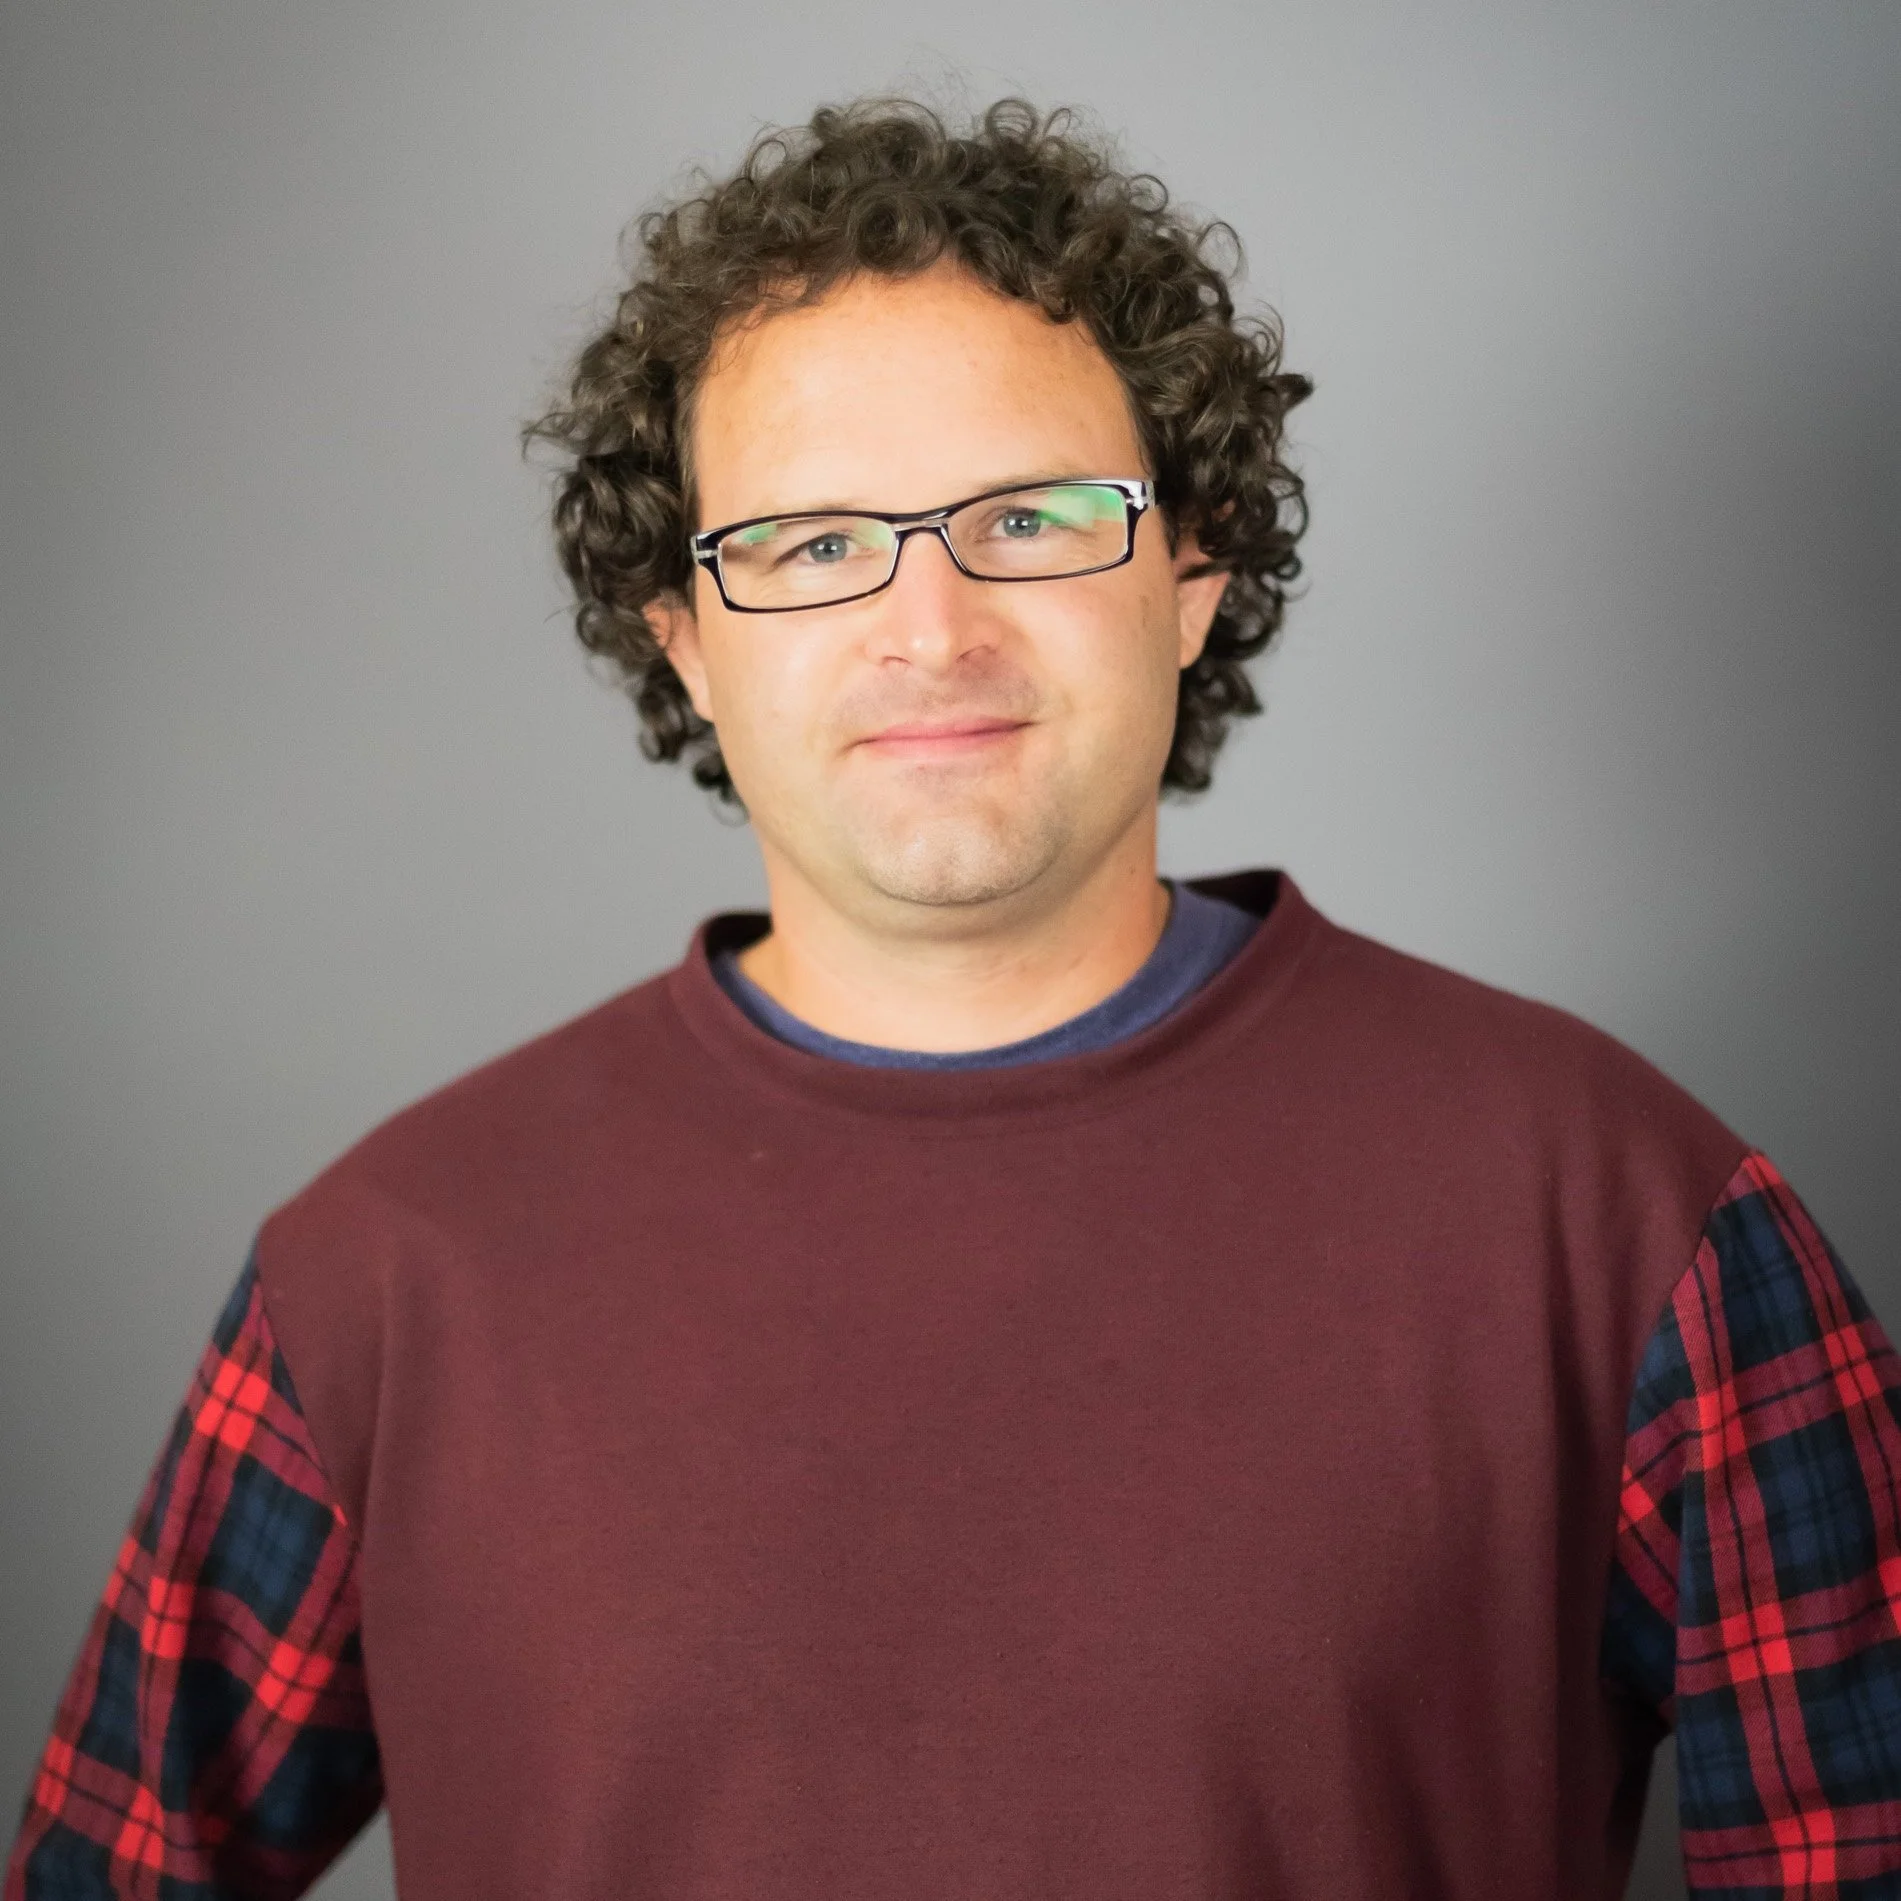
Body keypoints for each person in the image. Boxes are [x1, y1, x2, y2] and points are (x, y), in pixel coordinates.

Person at [8, 95, 1899, 1901]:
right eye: (813, 546)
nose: (931, 626)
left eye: (1034, 516)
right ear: (683, 638)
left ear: (1189, 574)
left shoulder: (1631, 1220)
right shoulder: (388, 1278)